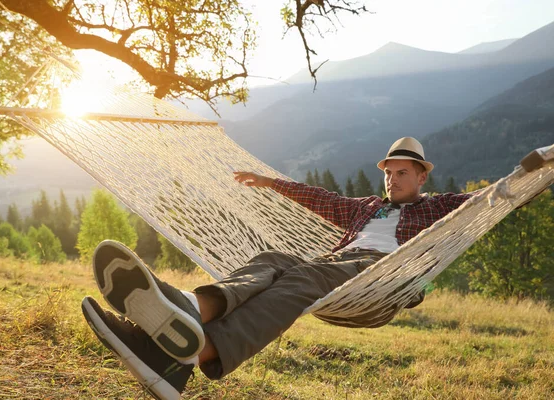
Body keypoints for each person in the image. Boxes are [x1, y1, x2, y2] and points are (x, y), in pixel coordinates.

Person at [81, 137, 474, 399]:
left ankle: (196, 351)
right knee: (275, 261)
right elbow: (319, 198)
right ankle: (187, 319)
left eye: (402, 172)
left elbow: (491, 201)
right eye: (388, 172)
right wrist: (271, 182)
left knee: (304, 276)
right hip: (336, 266)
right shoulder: (367, 207)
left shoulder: (437, 208)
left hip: (382, 278)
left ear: (422, 176)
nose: (392, 179)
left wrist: (530, 179)